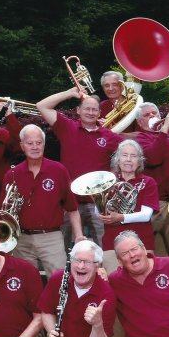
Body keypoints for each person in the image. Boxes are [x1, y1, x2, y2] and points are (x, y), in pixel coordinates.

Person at [36, 86, 124, 244]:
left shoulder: (109, 136)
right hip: (70, 203)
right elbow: (42, 105)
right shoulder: (67, 127)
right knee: (66, 248)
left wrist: (114, 176)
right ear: (78, 110)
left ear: (99, 113)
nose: (91, 113)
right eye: (87, 109)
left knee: (105, 247)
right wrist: (69, 93)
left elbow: (128, 156)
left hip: (99, 205)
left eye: (94, 110)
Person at [5, 124, 82, 272]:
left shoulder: (59, 170)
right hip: (22, 239)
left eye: (38, 143)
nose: (35, 147)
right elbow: (5, 213)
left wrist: (79, 236)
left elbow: (72, 209)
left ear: (44, 145)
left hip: (51, 237)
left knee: (59, 279)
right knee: (26, 283)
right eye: (30, 143)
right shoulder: (12, 174)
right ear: (22, 145)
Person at [129, 102, 169, 259]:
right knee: (166, 254)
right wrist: (164, 129)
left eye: (154, 113)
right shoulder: (140, 138)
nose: (152, 116)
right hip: (161, 204)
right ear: (139, 121)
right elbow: (153, 157)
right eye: (147, 114)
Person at [98, 139, 159, 273]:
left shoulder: (148, 182)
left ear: (139, 161)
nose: (128, 159)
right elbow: (99, 211)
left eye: (133, 156)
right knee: (114, 283)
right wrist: (102, 210)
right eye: (124, 155)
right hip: (111, 243)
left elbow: (146, 215)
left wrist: (120, 217)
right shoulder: (107, 181)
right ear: (117, 160)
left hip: (141, 242)